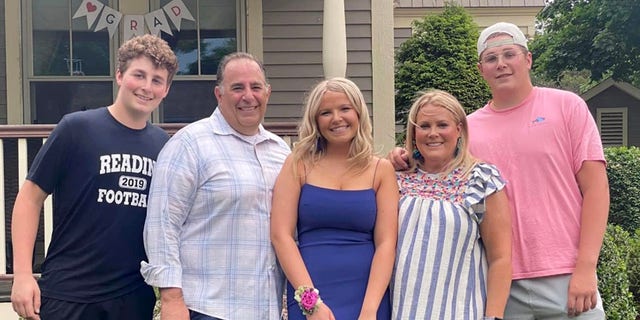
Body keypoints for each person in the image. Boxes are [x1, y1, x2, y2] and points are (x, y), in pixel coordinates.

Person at [390, 22, 609, 319]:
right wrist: (403, 157)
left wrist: (586, 266)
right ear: (482, 69)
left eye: (510, 54)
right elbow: (434, 167)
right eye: (492, 59)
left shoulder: (567, 107)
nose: (501, 64)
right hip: (499, 286)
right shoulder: (467, 129)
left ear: (528, 59)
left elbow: (596, 189)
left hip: (567, 277)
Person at [10, 34, 178, 320]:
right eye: (139, 75)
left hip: (131, 297)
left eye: (157, 80)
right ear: (120, 75)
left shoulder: (164, 146)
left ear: (166, 89)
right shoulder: (77, 129)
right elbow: (29, 198)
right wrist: (23, 275)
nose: (147, 87)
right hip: (68, 293)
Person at [141, 52, 290, 320]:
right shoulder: (190, 144)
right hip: (207, 308)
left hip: (265, 309)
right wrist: (171, 299)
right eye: (237, 88)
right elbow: (162, 225)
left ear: (267, 93)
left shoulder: (280, 152)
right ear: (219, 94)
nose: (248, 96)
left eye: (256, 87)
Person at [270, 77, 398, 319]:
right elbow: (281, 236)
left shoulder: (381, 170)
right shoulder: (298, 164)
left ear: (359, 113)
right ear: (316, 121)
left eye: (345, 109)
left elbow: (386, 244)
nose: (336, 118)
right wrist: (311, 303)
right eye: (326, 112)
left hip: (367, 297)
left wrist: (371, 309)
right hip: (310, 294)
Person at [391, 89, 511, 320]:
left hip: (460, 311)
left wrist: (493, 317)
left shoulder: (481, 179)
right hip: (399, 310)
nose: (433, 133)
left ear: (459, 129)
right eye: (424, 126)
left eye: (442, 125)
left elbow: (501, 257)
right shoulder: (396, 179)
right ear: (413, 132)